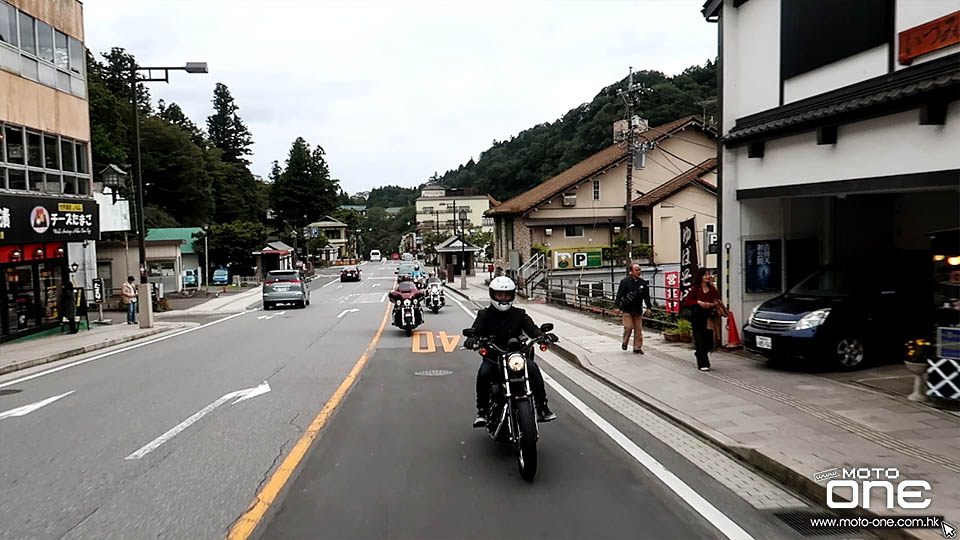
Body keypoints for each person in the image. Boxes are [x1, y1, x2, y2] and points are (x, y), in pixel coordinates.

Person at [467, 276, 556, 427]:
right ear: (493, 294)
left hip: (516, 356)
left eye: (507, 295)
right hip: (494, 356)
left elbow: (532, 329)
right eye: (500, 295)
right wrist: (472, 338)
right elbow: (476, 330)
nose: (503, 298)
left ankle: (542, 407)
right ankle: (481, 411)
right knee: (484, 373)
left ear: (512, 295)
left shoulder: (520, 313)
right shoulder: (484, 315)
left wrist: (542, 336)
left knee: (533, 369)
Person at [682, 268, 722, 371]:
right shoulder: (695, 289)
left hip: (709, 317)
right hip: (697, 317)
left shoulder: (712, 289)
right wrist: (698, 302)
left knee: (709, 341)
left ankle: (699, 353)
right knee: (699, 341)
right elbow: (687, 302)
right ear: (700, 277)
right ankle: (703, 363)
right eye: (705, 275)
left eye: (708, 275)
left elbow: (717, 300)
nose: (708, 277)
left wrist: (712, 304)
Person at [615, 263, 653, 354]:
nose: (639, 272)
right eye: (636, 270)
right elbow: (619, 295)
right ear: (631, 272)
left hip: (637, 309)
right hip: (627, 308)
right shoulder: (625, 282)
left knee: (638, 329)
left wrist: (649, 307)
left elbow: (646, 296)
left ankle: (637, 347)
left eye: (639, 270)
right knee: (628, 327)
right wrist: (617, 306)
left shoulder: (643, 283)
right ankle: (625, 341)